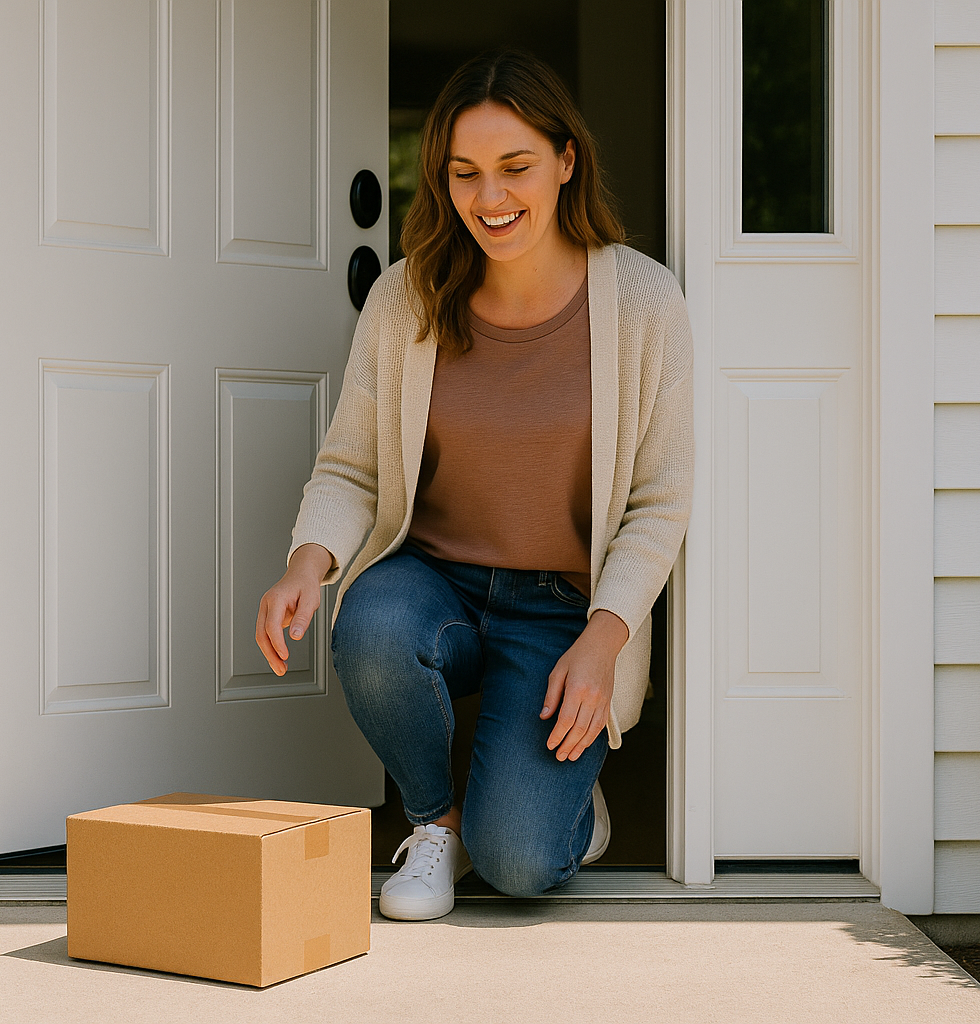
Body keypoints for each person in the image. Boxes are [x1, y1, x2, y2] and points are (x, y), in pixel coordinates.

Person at [255, 50, 693, 921]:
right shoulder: (407, 297)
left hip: (562, 611)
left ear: (566, 160)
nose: (490, 198)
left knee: (521, 864)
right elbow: (352, 464)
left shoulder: (645, 304)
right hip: (436, 584)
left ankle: (562, 806)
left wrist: (604, 640)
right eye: (465, 173)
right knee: (371, 626)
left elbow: (659, 500)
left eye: (514, 167)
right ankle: (435, 821)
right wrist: (306, 564)